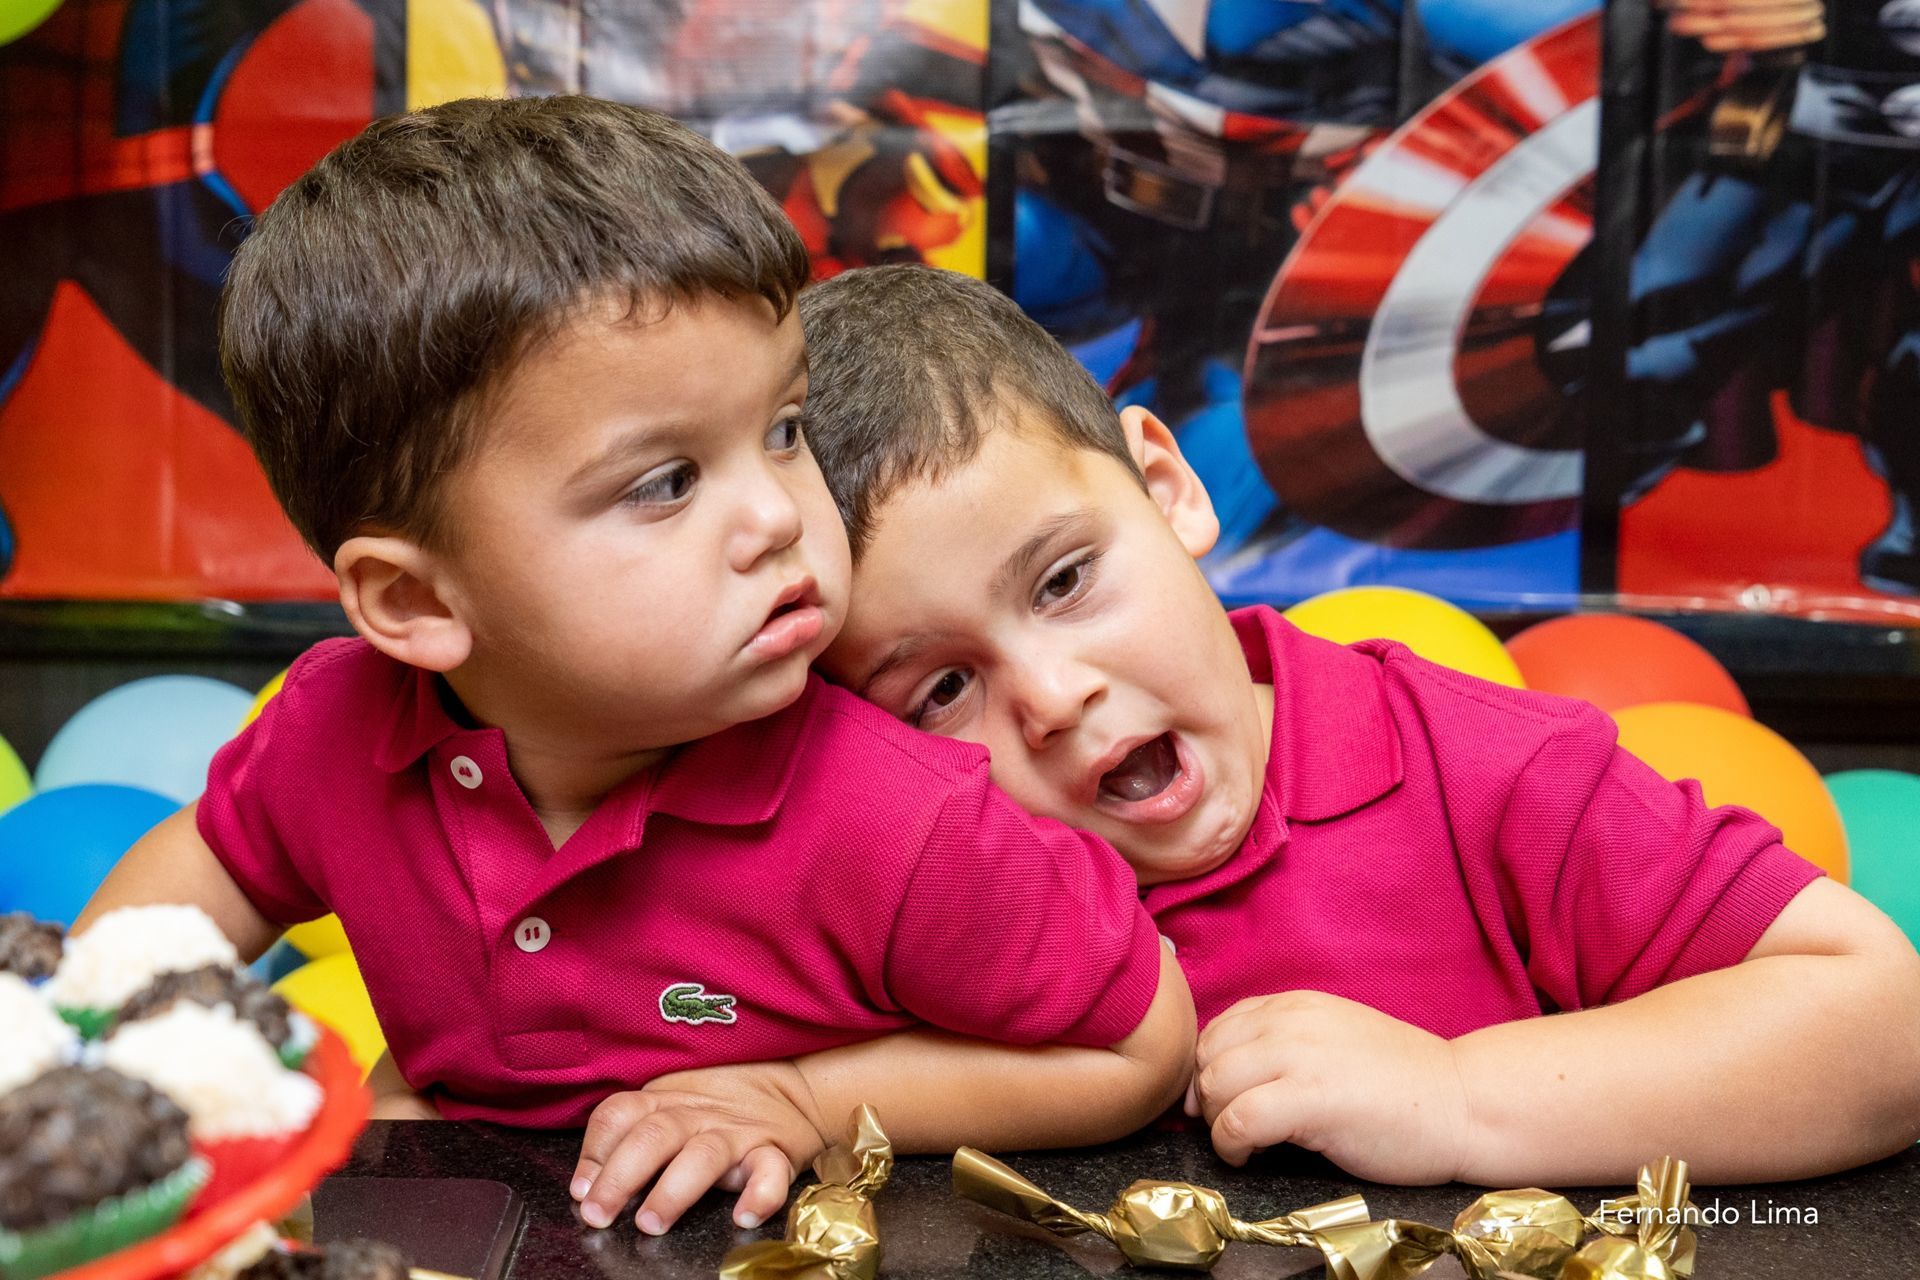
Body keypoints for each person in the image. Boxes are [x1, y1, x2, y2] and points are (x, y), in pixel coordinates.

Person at [74, 97, 1194, 1234]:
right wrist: (67, 1059)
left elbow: (1141, 1039)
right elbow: (211, 872)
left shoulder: (898, 819)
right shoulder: (331, 730)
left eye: (784, 428)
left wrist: (804, 1099)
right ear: (415, 599)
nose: (777, 513)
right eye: (664, 482)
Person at [797, 262, 1920, 1186]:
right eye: (941, 690)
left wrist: (1461, 1095)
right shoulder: (914, 870)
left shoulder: (1486, 770)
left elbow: (1884, 1024)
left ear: (1168, 484)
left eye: (1063, 580)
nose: (1051, 697)